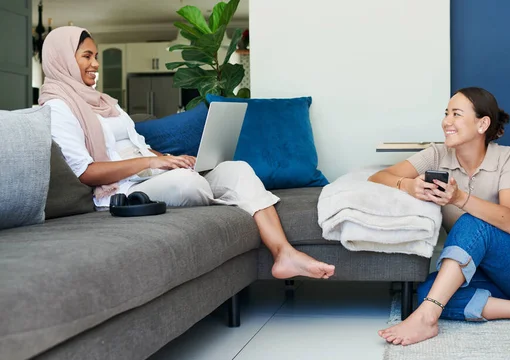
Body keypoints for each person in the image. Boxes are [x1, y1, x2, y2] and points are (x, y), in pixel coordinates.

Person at [39, 26, 335, 280]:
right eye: (86, 56)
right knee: (187, 183)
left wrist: (170, 159)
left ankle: (284, 253)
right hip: (123, 190)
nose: (95, 64)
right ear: (62, 60)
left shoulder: (106, 102)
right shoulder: (58, 107)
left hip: (152, 176)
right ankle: (230, 197)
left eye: (96, 56)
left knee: (238, 169)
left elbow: (139, 145)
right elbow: (84, 172)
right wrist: (154, 161)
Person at [368, 87, 510, 346]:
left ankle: (426, 319)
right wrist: (409, 185)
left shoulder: (508, 156)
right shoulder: (436, 154)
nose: (446, 121)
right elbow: (378, 177)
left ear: (482, 124)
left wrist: (459, 198)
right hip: (479, 271)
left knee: (470, 221)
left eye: (456, 114)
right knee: (426, 292)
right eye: (446, 113)